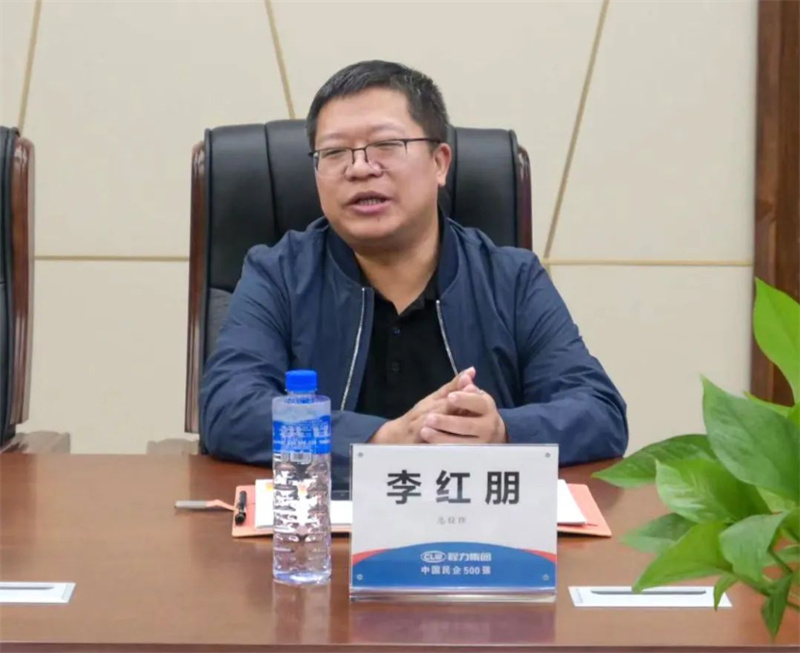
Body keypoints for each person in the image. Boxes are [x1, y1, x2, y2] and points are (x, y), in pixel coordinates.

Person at [200, 60, 628, 490]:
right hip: (323, 524)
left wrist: (502, 432)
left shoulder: (512, 279)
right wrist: (378, 441)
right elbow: (228, 409)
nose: (360, 168)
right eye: (333, 153)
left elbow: (599, 411)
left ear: (440, 163)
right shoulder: (278, 274)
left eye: (386, 145)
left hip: (474, 524)